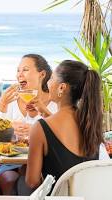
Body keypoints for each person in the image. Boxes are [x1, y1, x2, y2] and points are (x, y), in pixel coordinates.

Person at [25, 60, 105, 192]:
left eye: (51, 79)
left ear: (61, 87)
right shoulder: (91, 124)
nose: (48, 83)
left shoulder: (40, 128)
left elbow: (32, 182)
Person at [0, 54, 57, 195]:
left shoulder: (54, 102)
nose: (19, 75)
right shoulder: (10, 101)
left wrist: (37, 131)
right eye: (18, 70)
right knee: (8, 179)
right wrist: (2, 108)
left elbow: (60, 134)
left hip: (44, 161)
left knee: (29, 183)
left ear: (42, 74)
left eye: (25, 70)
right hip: (11, 160)